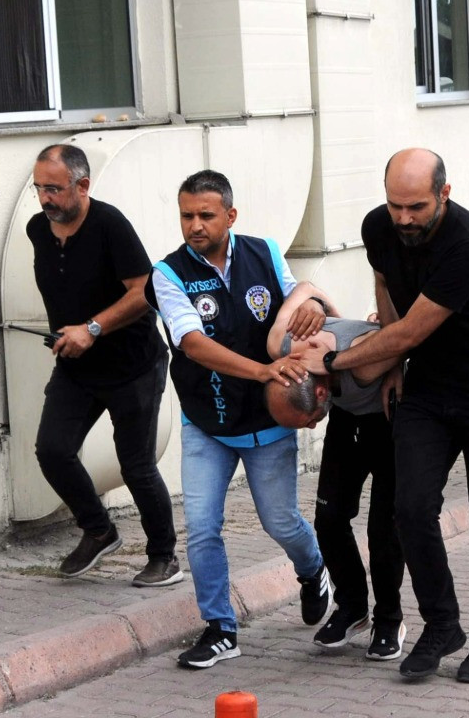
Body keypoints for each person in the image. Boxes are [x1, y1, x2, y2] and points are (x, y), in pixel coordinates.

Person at [303, 148, 469, 684]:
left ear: (444, 195)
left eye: (416, 207)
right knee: (408, 511)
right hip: (428, 390)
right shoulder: (378, 227)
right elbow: (386, 289)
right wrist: (389, 367)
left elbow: (412, 329)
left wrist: (337, 360)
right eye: (394, 205)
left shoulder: (468, 243)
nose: (403, 218)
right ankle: (441, 625)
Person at [146, 169, 331, 670]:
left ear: (230, 215)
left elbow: (298, 299)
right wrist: (261, 369)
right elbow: (192, 343)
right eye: (187, 215)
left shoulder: (264, 252)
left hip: (270, 426)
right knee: (203, 527)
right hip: (208, 424)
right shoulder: (166, 275)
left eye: (206, 215)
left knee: (281, 522)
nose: (195, 225)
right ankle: (220, 627)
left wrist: (310, 306)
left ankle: (313, 571)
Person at [26, 144, 181, 588]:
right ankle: (99, 530)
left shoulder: (110, 225)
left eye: (54, 189)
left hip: (132, 365)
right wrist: (66, 333)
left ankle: (164, 556)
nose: (45, 198)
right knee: (52, 450)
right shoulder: (38, 229)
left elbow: (144, 291)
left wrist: (91, 329)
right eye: (39, 188)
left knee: (136, 465)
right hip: (76, 366)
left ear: (83, 185)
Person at [263, 287, 408, 662]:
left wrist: (393, 367)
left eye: (309, 420)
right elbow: (306, 287)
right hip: (349, 418)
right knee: (329, 518)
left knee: (383, 527)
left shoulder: (362, 364)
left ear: (322, 390)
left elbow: (402, 340)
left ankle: (389, 619)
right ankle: (352, 607)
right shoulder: (281, 345)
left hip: (389, 416)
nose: (311, 428)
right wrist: (314, 304)